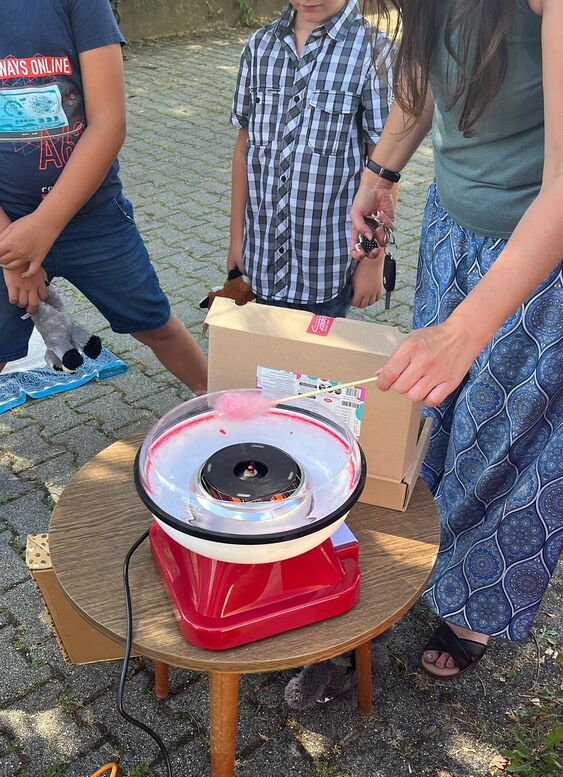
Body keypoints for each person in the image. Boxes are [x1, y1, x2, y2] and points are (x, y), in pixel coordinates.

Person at [350, 0, 562, 679]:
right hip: (452, 227)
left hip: (538, 261)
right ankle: (425, 553)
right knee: (435, 418)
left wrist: (465, 330)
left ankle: (475, 601)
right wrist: (380, 174)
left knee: (505, 443)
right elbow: (423, 75)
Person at [0, 0, 207, 393]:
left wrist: (44, 225)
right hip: (5, 230)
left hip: (94, 220)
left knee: (155, 325)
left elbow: (108, 124)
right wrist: (10, 252)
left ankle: (223, 406)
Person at [228, 0, 395, 318]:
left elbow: (384, 169)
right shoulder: (259, 47)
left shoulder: (374, 52)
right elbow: (243, 151)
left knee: (317, 352)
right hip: (261, 260)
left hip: (326, 268)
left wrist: (373, 260)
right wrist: (237, 239)